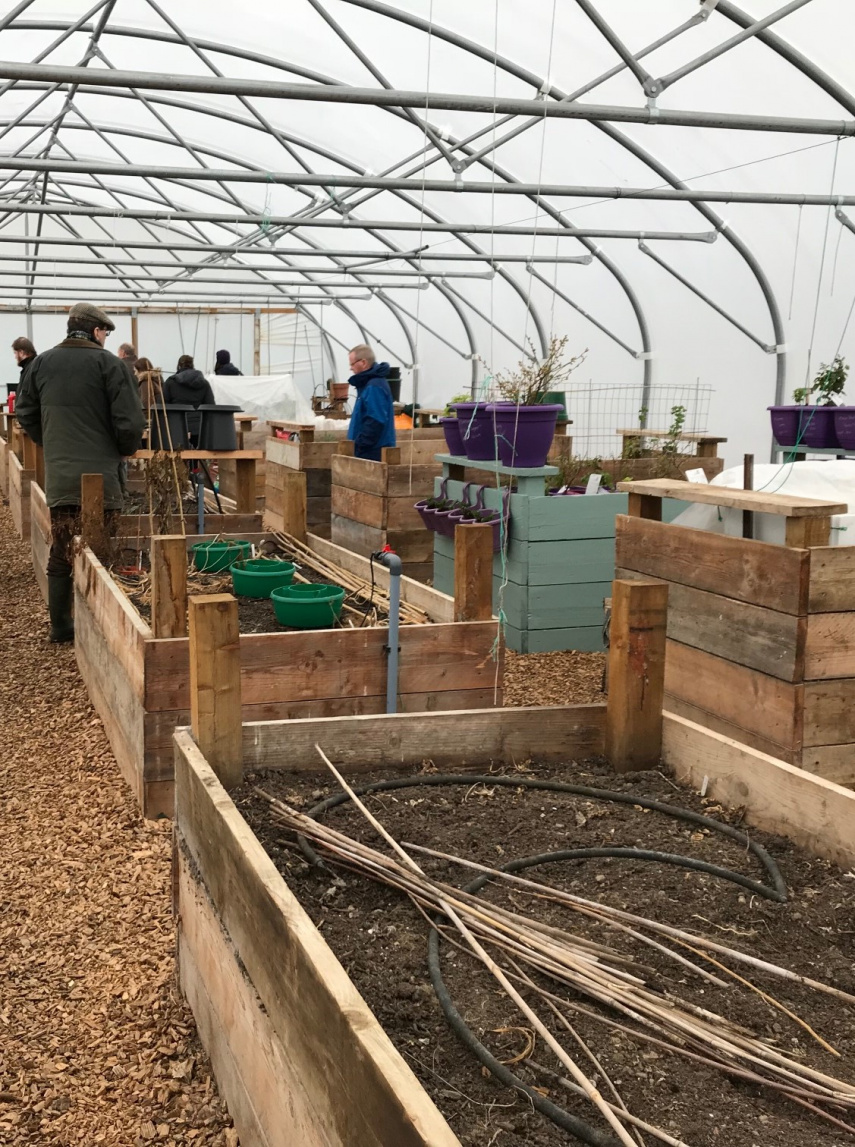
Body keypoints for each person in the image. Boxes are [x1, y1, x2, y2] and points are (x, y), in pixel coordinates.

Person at [15, 303, 145, 643]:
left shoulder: (41, 363)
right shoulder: (110, 365)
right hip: (103, 477)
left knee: (61, 550)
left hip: (61, 477)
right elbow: (130, 421)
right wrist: (124, 448)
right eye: (105, 333)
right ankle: (98, 632)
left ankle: (61, 626)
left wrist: (50, 442)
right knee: (100, 551)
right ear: (96, 331)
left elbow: (25, 411)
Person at [346, 344, 396, 462]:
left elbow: (376, 420)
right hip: (370, 450)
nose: (351, 368)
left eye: (352, 364)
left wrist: (360, 445)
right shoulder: (368, 385)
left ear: (363, 362)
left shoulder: (374, 386)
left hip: (373, 453)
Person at [163, 355, 216, 446]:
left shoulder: (170, 382)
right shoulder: (204, 383)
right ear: (192, 365)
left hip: (176, 427)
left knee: (178, 452)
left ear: (179, 366)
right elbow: (211, 406)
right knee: (198, 451)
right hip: (199, 428)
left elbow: (163, 405)